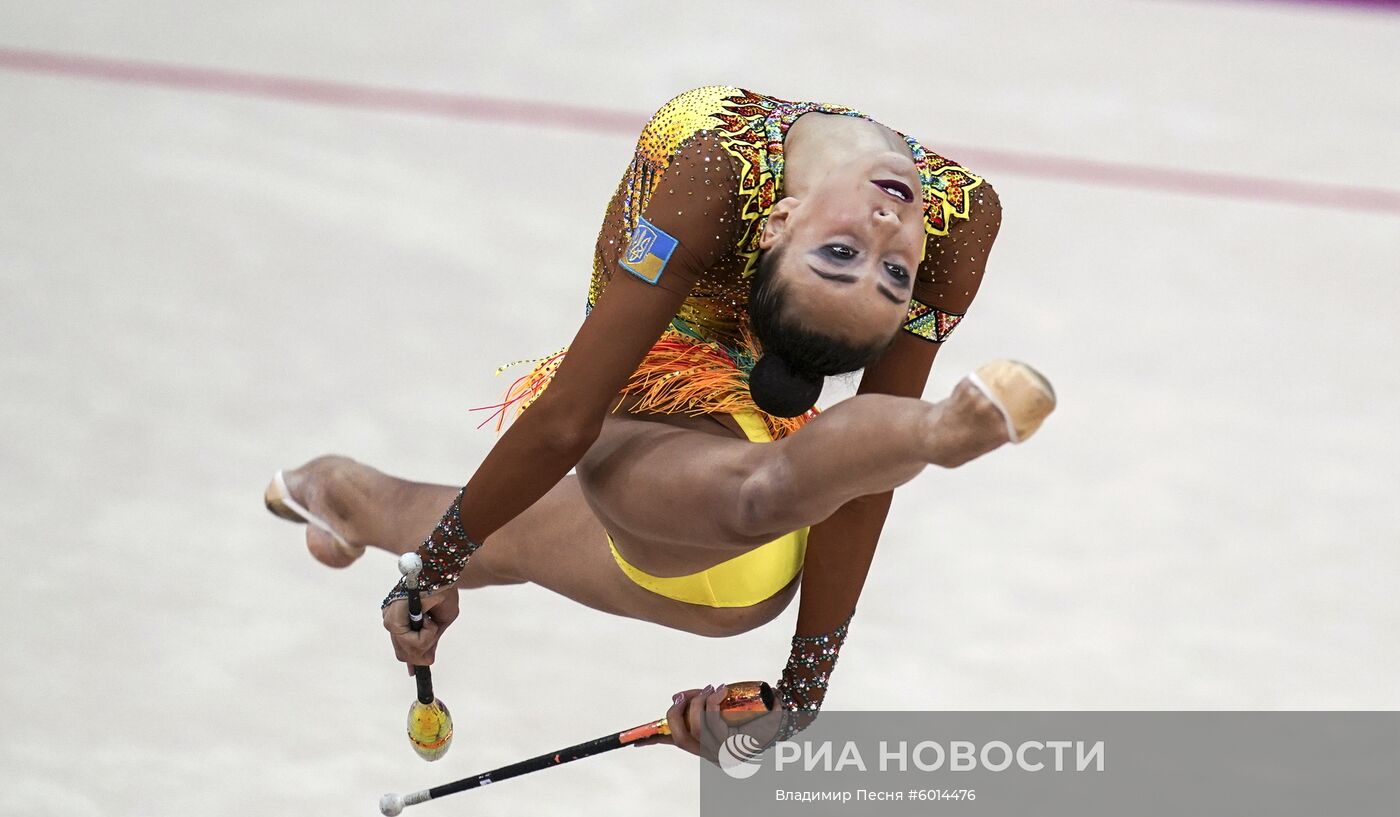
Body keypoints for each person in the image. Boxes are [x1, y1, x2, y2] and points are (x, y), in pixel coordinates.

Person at [265, 85, 1055, 760]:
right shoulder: (740, 176)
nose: (889, 233)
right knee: (728, 496)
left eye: (888, 275)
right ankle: (341, 495)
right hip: (672, 462)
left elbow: (856, 488)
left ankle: (940, 430)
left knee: (749, 491)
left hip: (735, 537)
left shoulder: (932, 215)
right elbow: (564, 423)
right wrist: (431, 568)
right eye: (851, 255)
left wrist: (801, 696)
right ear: (774, 225)